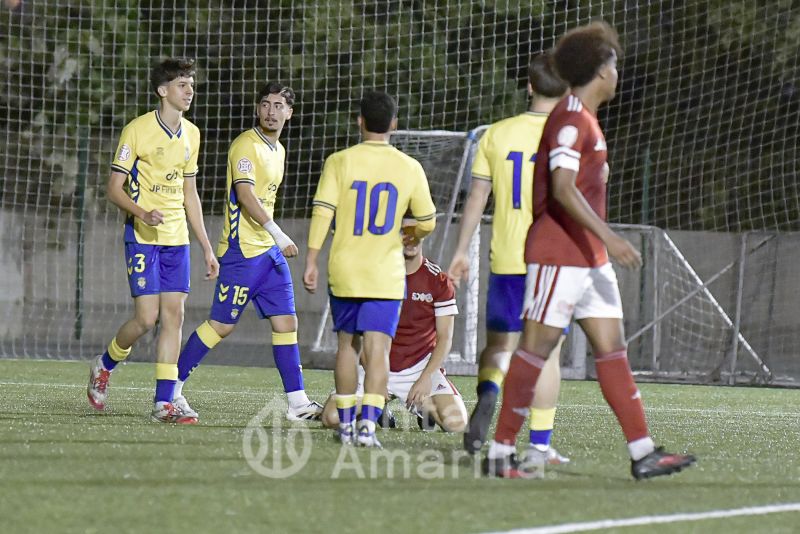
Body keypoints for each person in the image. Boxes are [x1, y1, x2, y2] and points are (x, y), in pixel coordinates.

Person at [483, 22, 696, 479]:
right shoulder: (569, 119)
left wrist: (601, 245)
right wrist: (610, 235)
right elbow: (561, 189)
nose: (618, 72)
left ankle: (643, 453)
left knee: (612, 349)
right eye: (614, 64)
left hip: (589, 260)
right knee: (535, 351)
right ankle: (500, 452)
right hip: (559, 255)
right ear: (601, 71)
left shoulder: (585, 119)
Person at [172, 83, 322, 422]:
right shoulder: (245, 145)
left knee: (287, 322)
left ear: (289, 113)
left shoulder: (278, 150)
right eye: (266, 104)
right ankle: (171, 389)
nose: (271, 111)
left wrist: (274, 241)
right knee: (221, 326)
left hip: (268, 254)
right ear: (258, 109)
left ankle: (297, 403)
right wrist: (279, 234)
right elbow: (244, 194)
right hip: (242, 252)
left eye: (279, 105)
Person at [448, 52, 570, 465]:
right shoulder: (572, 135)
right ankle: (538, 444)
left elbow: (477, 199)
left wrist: (461, 251)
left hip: (507, 260)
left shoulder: (496, 135)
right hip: (553, 261)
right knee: (548, 353)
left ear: (530, 86)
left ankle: (490, 390)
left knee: (500, 344)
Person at [87, 58, 219, 423]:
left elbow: (190, 194)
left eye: (191, 85)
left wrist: (207, 246)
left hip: (176, 240)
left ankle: (163, 402)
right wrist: (142, 212)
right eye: (182, 84)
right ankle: (105, 363)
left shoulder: (192, 134)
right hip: (143, 237)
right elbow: (114, 188)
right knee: (146, 319)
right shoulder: (137, 130)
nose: (189, 91)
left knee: (174, 317)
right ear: (163, 91)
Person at [303, 91, 436, 448]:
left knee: (347, 346)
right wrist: (408, 235)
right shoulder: (409, 167)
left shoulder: (339, 161)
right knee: (379, 352)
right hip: (385, 273)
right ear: (394, 124)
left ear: (358, 120)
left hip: (345, 268)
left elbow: (322, 211)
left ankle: (346, 426)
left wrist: (312, 258)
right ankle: (367, 428)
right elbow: (427, 220)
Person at [321, 219, 468, 432]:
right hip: (376, 362)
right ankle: (378, 408)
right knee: (332, 417)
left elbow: (445, 338)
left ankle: (423, 409)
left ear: (423, 233)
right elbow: (359, 334)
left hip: (419, 368)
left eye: (414, 231)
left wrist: (425, 379)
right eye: (403, 231)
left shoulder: (438, 281)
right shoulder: (375, 274)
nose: (409, 237)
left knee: (457, 425)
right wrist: (374, 373)